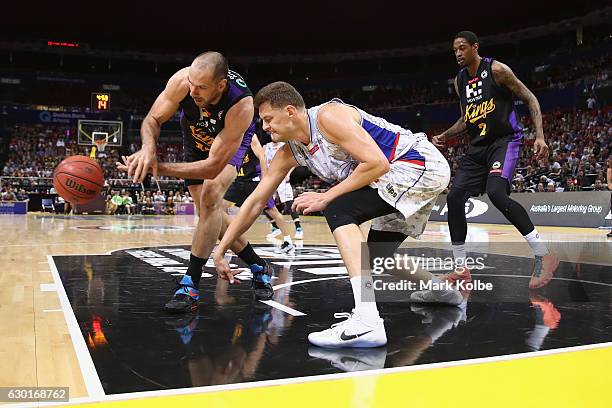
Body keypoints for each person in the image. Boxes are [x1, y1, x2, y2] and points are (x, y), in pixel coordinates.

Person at [213, 81, 456, 348]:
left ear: (290, 111)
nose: (265, 126)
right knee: (376, 256)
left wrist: (327, 197)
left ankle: (367, 320)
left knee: (340, 209)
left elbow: (377, 162)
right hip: (400, 176)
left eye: (268, 118)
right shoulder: (289, 152)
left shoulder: (329, 117)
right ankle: (441, 290)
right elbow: (256, 200)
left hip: (417, 164)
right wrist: (222, 248)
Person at [118, 51, 274, 314]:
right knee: (208, 216)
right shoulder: (183, 82)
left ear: (221, 85)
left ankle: (190, 284)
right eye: (192, 83)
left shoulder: (242, 106)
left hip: (227, 145)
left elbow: (213, 167)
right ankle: (258, 265)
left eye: (201, 87)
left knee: (211, 197)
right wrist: (147, 149)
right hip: (195, 138)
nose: (193, 91)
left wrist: (158, 167)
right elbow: (153, 119)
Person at [429, 31, 559, 291]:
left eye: (462, 48)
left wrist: (540, 136)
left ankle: (543, 254)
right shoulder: (460, 81)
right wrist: (445, 135)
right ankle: (460, 269)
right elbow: (467, 119)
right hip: (477, 147)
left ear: (475, 47)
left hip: (505, 141)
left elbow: (530, 98)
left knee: (497, 193)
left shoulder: (497, 70)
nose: (457, 53)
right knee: (454, 199)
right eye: (454, 49)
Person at [224, 134, 295, 253]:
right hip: (239, 181)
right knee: (219, 208)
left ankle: (288, 241)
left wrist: (265, 180)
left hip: (254, 181)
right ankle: (228, 241)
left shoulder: (250, 136)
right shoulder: (231, 136)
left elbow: (262, 156)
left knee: (272, 211)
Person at [264, 140, 304, 239]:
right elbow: (262, 161)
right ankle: (275, 228)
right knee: (265, 203)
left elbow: (295, 161)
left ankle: (299, 228)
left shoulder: (285, 146)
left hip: (282, 177)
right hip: (270, 177)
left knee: (288, 202)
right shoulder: (266, 147)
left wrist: (288, 173)